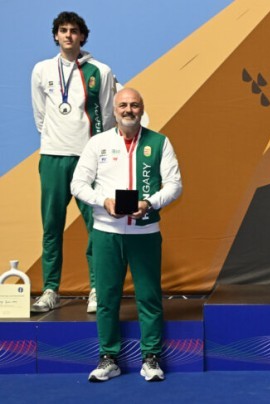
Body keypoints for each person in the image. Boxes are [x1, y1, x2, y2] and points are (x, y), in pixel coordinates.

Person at [71, 88, 182, 382]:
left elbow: (174, 184)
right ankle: (108, 358)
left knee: (149, 297)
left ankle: (151, 358)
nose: (128, 110)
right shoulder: (98, 143)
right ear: (114, 110)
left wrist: (150, 203)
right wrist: (103, 201)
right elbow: (78, 184)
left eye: (134, 105)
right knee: (107, 298)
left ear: (142, 109)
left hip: (145, 232)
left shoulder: (159, 142)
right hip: (106, 232)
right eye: (123, 105)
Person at [31, 11, 117, 313]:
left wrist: (96, 153)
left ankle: (96, 288)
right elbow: (40, 115)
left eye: (74, 31)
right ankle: (50, 289)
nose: (68, 35)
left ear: (82, 36)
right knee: (51, 226)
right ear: (56, 35)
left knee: (97, 226)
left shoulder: (100, 71)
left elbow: (107, 116)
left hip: (87, 160)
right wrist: (56, 140)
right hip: (53, 157)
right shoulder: (41, 70)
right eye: (63, 30)